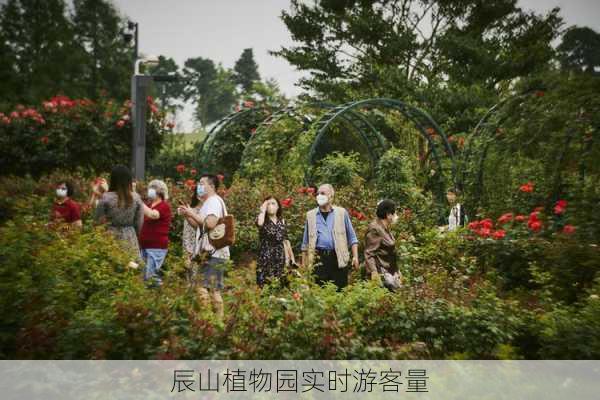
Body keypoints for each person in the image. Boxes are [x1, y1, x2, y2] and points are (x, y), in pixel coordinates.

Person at [178, 174, 230, 319]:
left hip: (213, 252)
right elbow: (199, 227)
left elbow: (210, 223)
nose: (198, 186)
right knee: (213, 289)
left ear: (212, 186)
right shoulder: (209, 202)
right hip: (211, 252)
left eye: (202, 183)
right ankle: (217, 323)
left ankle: (207, 321)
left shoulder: (213, 201)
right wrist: (188, 214)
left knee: (202, 287)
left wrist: (191, 213)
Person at [301, 183, 359, 290]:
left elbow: (352, 238)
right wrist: (305, 267)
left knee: (340, 292)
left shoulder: (342, 213)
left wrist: (355, 257)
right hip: (318, 259)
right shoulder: (311, 215)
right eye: (318, 193)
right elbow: (305, 244)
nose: (319, 196)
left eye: (322, 193)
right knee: (319, 292)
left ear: (331, 196)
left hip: (338, 258)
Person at [94, 165, 144, 262]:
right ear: (129, 180)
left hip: (110, 238)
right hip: (130, 237)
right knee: (131, 268)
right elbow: (139, 224)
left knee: (110, 268)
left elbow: (97, 222)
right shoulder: (136, 198)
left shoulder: (106, 197)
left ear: (113, 179)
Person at [256, 196, 296, 287]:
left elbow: (286, 240)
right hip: (265, 259)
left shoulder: (282, 221)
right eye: (268, 204)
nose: (271, 206)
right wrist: (262, 210)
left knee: (281, 288)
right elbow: (259, 224)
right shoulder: (262, 219)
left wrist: (292, 260)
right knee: (266, 288)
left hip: (280, 259)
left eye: (273, 203)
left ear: (278, 206)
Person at [139, 179, 172, 287]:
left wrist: (138, 201)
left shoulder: (164, 206)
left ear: (159, 192)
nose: (149, 191)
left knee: (151, 277)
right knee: (144, 278)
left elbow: (153, 215)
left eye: (152, 189)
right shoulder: (149, 205)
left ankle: (163, 296)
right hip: (145, 246)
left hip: (156, 247)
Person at [364, 199, 401, 291]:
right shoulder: (375, 229)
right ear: (388, 214)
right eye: (394, 213)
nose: (396, 216)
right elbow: (369, 253)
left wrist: (397, 270)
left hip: (390, 273)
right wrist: (374, 272)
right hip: (380, 275)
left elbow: (390, 252)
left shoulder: (385, 228)